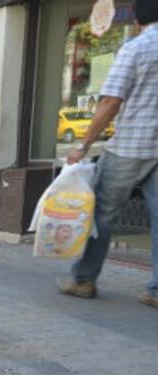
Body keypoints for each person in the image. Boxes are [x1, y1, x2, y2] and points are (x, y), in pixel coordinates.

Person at [58, 0, 157, 310]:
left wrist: (83, 146)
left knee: (102, 213)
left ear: (138, 20)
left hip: (130, 146)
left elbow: (110, 102)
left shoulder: (136, 48)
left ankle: (84, 279)